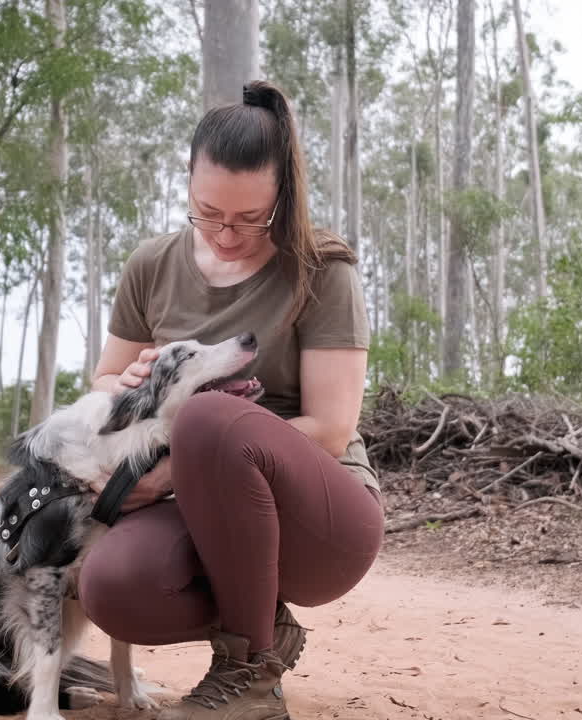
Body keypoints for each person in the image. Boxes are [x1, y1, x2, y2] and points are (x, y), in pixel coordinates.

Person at [79, 80, 385, 720]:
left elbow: (331, 428)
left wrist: (179, 462)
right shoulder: (152, 265)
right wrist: (134, 377)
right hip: (199, 505)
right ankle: (265, 625)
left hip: (323, 521)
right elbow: (105, 383)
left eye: (251, 218)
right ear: (189, 182)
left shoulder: (322, 268)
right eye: (208, 212)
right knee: (108, 587)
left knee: (212, 417)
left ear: (284, 198)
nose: (225, 233)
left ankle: (249, 675)